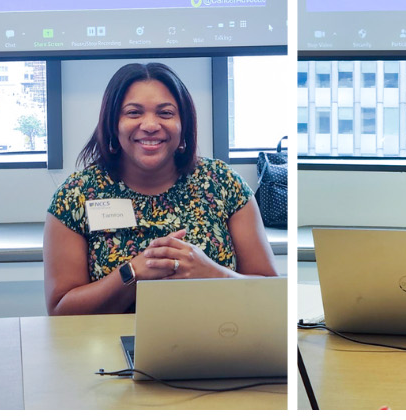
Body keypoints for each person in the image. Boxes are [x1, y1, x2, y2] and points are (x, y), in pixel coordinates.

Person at [44, 63, 278, 315]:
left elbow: (272, 295)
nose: (150, 125)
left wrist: (210, 273)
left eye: (165, 113)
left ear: (183, 124)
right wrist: (132, 274)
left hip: (217, 343)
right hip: (109, 348)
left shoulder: (223, 183)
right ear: (113, 124)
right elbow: (60, 310)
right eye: (133, 113)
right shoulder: (76, 195)